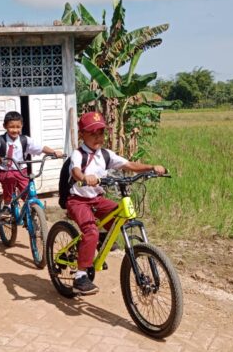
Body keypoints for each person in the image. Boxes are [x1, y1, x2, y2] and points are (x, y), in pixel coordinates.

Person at [66, 111, 166, 296]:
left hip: (96, 199)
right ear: (81, 135)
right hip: (78, 200)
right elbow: (75, 171)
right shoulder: (78, 154)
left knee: (121, 216)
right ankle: (80, 277)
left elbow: (129, 165)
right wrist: (85, 178)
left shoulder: (105, 154)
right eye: (92, 133)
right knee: (91, 231)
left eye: (101, 133)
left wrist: (152, 167)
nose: (98, 137)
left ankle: (101, 240)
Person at [0, 111, 62, 212]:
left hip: (21, 171)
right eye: (11, 127)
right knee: (9, 178)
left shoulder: (24, 140)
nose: (15, 130)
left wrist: (54, 152)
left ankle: (32, 210)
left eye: (18, 127)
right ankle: (7, 205)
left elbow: (40, 148)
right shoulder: (0, 140)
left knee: (28, 190)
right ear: (5, 126)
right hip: (5, 171)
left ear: (22, 126)